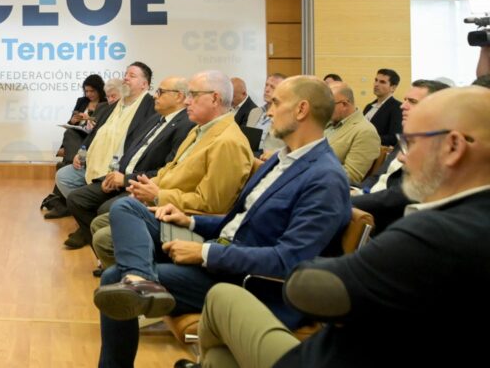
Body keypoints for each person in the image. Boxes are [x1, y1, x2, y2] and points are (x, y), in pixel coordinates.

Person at [191, 86, 490, 367]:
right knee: (218, 357)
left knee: (221, 297)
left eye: (410, 142)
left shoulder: (435, 234)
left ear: (453, 146)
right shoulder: (468, 220)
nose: (402, 156)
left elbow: (308, 288)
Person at [92, 76, 350, 368]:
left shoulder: (325, 179)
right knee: (127, 208)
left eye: (276, 103)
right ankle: (141, 279)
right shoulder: (282, 160)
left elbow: (288, 261)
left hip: (250, 283)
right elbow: (238, 221)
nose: (268, 111)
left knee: (114, 278)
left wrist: (204, 252)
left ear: (301, 110)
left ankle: (139, 283)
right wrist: (191, 222)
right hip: (224, 254)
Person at [63, 76, 196, 249]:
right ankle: (101, 249)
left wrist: (125, 180)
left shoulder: (185, 125)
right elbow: (132, 151)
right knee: (76, 199)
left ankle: (110, 250)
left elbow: (167, 170)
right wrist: (115, 174)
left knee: (105, 210)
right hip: (123, 176)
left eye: (161, 92)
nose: (155, 96)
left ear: (178, 96)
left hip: (142, 184)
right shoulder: (156, 118)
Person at [352, 79, 449, 234]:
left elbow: (400, 195)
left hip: (386, 222)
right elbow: (378, 177)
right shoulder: (407, 137)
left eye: (412, 101)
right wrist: (357, 191)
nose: (402, 106)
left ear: (436, 109)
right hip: (367, 206)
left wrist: (349, 201)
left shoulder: (439, 147)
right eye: (405, 100)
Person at [53, 62, 157, 199]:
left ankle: (86, 202)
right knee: (63, 176)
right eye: (125, 74)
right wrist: (80, 153)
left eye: (132, 76)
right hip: (93, 162)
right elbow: (95, 133)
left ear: (144, 84)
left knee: (78, 199)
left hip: (118, 168)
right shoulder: (112, 106)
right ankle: (86, 204)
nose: (126, 78)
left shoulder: (152, 107)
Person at [43, 77, 121, 218]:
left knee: (64, 165)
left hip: (102, 153)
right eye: (86, 91)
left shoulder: (115, 108)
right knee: (70, 132)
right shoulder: (89, 103)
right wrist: (76, 122)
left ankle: (68, 203)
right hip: (84, 140)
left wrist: (90, 123)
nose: (88, 94)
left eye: (92, 91)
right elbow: (87, 130)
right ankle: (75, 203)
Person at [323, 82, 380, 184]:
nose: (324, 109)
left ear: (344, 105)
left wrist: (310, 173)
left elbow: (351, 176)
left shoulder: (366, 132)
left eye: (329, 105)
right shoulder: (328, 123)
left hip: (324, 185)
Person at [245, 73, 287, 153]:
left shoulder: (286, 116)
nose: (267, 90)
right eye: (266, 85)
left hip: (272, 158)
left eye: (272, 87)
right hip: (250, 155)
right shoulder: (254, 112)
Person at [363, 68, 402, 146]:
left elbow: (394, 138)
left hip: (379, 151)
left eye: (382, 82)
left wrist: (367, 139)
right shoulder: (369, 107)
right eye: (376, 80)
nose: (376, 84)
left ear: (393, 87)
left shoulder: (397, 107)